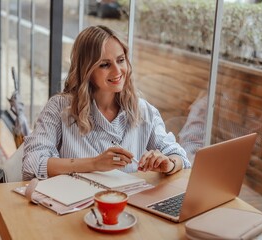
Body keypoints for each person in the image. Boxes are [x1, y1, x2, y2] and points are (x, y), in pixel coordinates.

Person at [22, 25, 191, 181]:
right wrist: (94, 164)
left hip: (128, 208)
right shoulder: (59, 108)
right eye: (104, 64)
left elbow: (179, 156)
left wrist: (168, 164)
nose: (117, 71)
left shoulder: (143, 111)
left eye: (121, 60)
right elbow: (32, 163)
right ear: (86, 70)